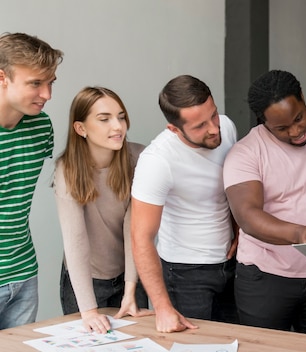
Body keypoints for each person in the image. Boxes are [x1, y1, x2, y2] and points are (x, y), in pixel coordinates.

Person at [223, 69, 306, 337]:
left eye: (299, 118)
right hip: (264, 279)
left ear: (303, 98)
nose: (296, 132)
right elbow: (247, 215)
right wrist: (298, 233)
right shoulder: (245, 152)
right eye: (282, 128)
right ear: (263, 121)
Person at [131, 75, 238, 333]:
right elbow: (141, 237)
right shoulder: (156, 161)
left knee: (236, 343)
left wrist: (239, 230)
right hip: (185, 273)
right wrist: (163, 308)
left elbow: (235, 186)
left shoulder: (227, 127)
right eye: (200, 126)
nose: (213, 128)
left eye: (213, 115)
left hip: (233, 264)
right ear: (174, 129)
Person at [53, 87, 152, 334]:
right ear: (81, 128)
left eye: (121, 117)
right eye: (104, 119)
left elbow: (135, 230)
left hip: (131, 274)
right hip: (86, 280)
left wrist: (130, 289)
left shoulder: (138, 158)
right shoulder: (67, 170)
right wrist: (88, 310)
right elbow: (75, 240)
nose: (117, 126)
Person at [0, 32, 63, 329]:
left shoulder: (42, 127)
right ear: (3, 78)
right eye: (35, 83)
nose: (47, 94)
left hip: (25, 272)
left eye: (50, 82)